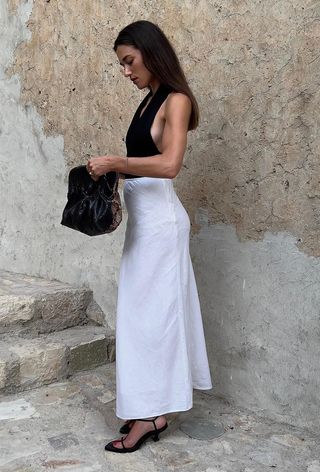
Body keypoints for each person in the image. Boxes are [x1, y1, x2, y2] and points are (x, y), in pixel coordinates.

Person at [87, 20, 212, 453]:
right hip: (145, 225)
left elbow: (170, 164)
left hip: (161, 224)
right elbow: (143, 159)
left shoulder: (175, 100)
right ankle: (152, 409)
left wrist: (116, 160)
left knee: (150, 321)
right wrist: (109, 168)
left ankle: (148, 415)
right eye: (122, 64)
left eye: (129, 61)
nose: (125, 71)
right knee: (143, 319)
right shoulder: (147, 101)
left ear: (150, 52)